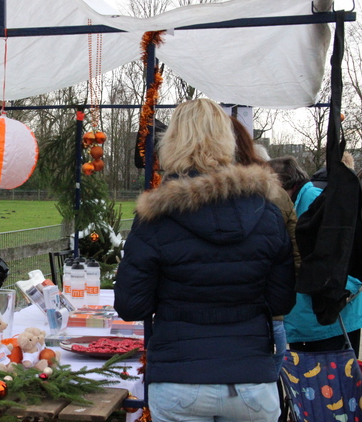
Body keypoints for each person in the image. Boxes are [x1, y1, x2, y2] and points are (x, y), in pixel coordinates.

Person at [115, 99, 295, 422]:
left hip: (178, 379)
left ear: (171, 142)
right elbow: (282, 299)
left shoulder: (155, 218)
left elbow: (131, 305)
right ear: (226, 140)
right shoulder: (266, 214)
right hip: (251, 381)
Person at [268, 156, 362, 357]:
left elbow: (346, 250)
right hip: (310, 317)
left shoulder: (314, 200)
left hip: (328, 316)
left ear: (281, 184)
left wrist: (341, 291)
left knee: (331, 382)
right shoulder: (300, 202)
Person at [231, 117, 299, 375]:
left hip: (207, 326)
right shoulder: (276, 195)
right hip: (267, 319)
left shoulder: (191, 196)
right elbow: (295, 257)